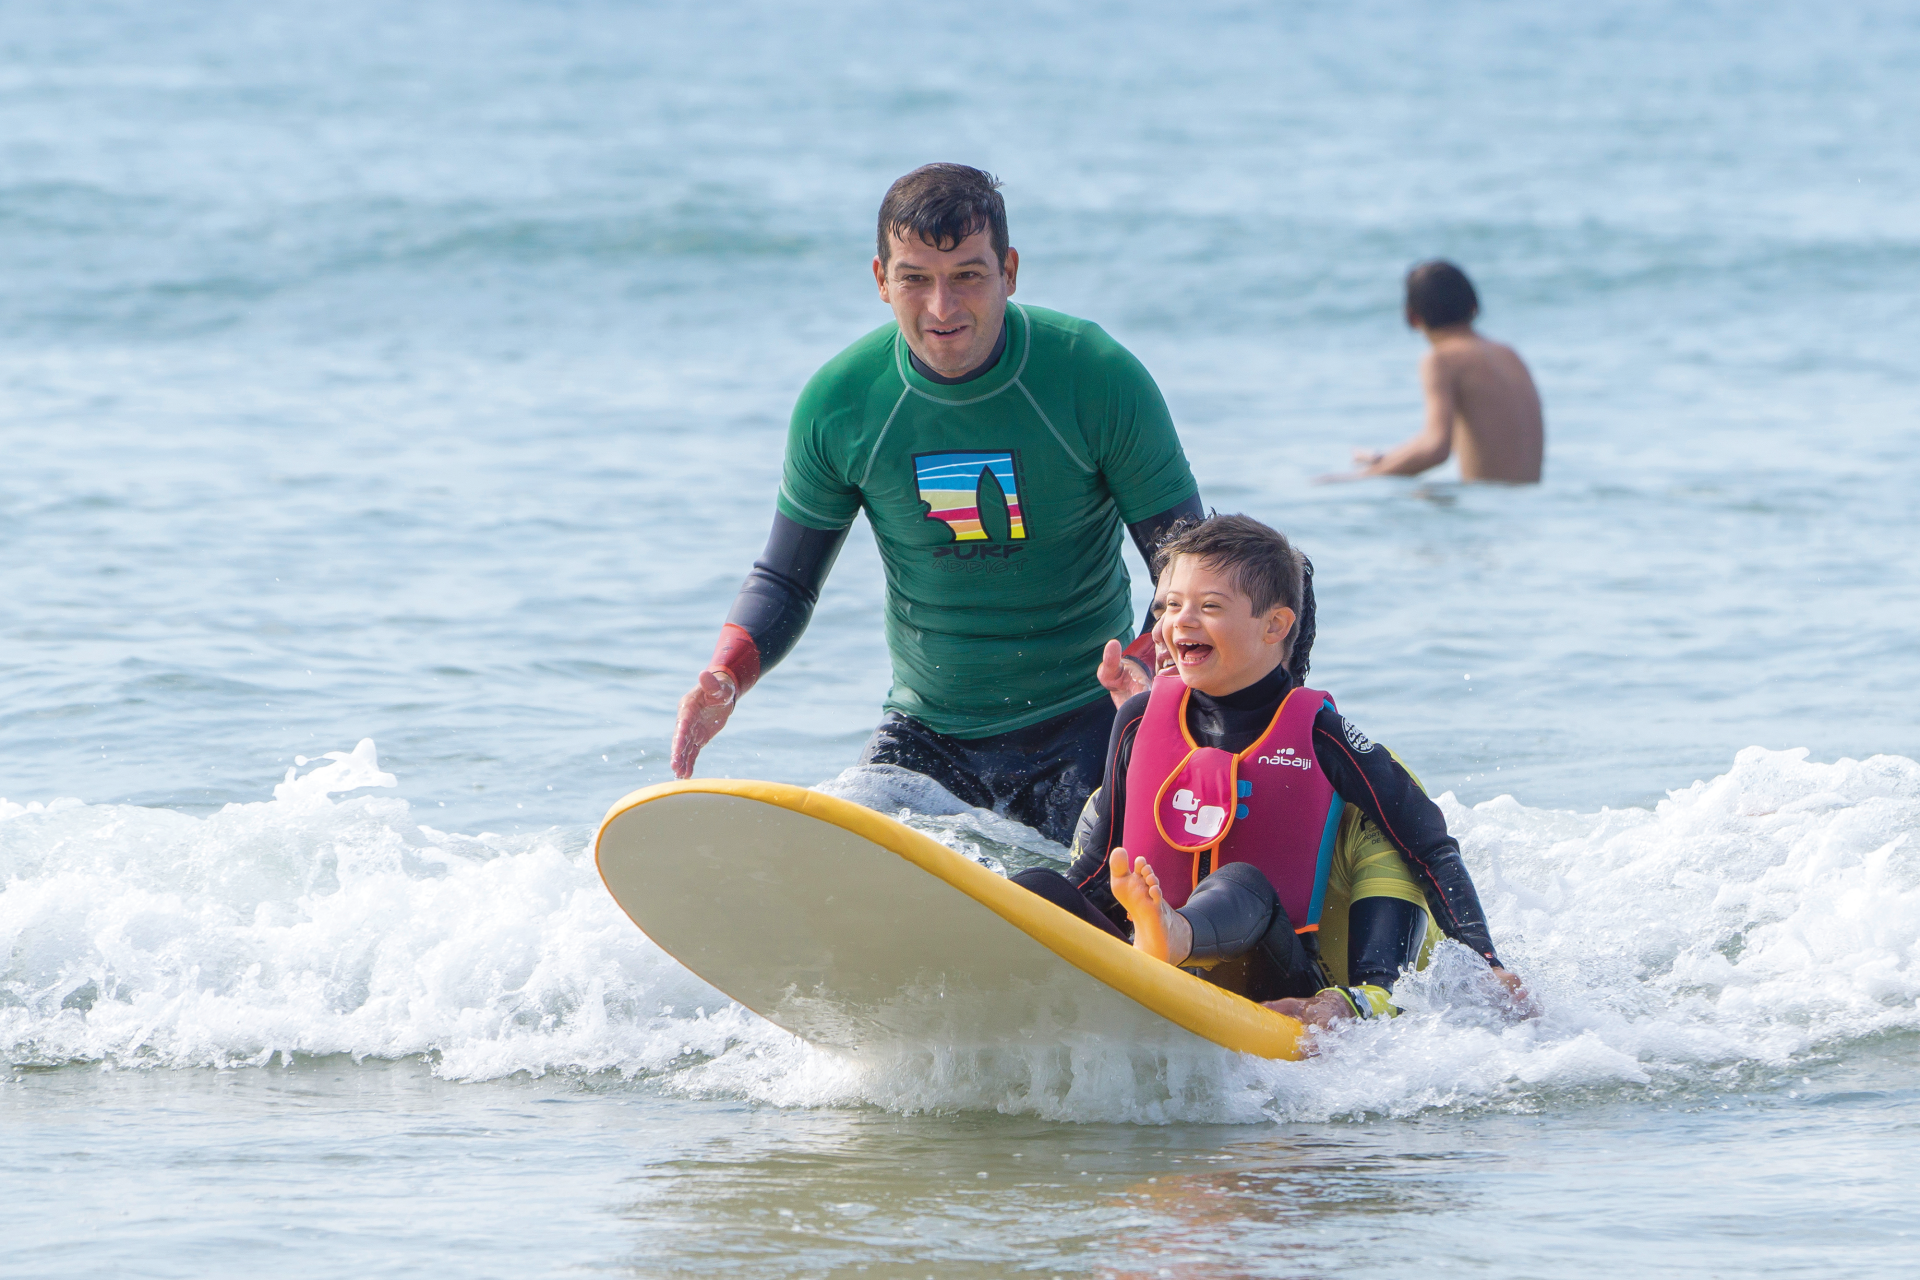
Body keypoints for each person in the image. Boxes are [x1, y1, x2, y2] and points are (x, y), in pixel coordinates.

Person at [670, 164, 1201, 845]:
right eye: (916, 278)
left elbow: (1188, 567)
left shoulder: (1094, 376)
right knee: (836, 854)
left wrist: (1153, 665)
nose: (942, 308)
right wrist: (727, 673)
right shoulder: (842, 401)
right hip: (926, 740)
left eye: (968, 277)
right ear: (880, 279)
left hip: (1090, 721)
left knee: (1104, 883)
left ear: (1009, 270)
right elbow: (786, 579)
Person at [1012, 514, 1530, 1031]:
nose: (1180, 622)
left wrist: (1486, 965)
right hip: (1146, 956)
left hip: (1276, 978)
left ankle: (1175, 933)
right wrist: (1051, 915)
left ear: (1275, 626)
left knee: (1240, 882)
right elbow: (1100, 868)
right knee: (1039, 886)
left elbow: (1429, 845)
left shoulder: (1320, 735)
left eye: (1208, 607)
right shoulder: (1137, 722)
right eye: (1170, 606)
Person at [1323, 260, 1544, 485]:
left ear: (1412, 317)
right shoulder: (1508, 353)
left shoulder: (1441, 359)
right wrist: (1386, 461)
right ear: (1474, 306)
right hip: (1528, 509)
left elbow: (1436, 449)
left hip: (1487, 510)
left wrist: (1357, 479)